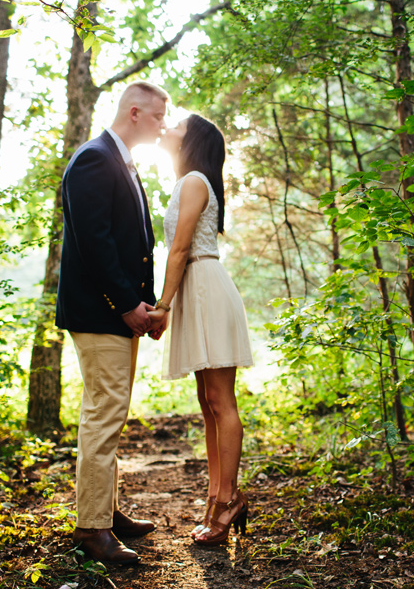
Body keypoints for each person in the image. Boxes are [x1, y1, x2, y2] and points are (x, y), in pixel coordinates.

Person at [55, 81, 169, 565]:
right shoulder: (95, 158)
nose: (165, 127)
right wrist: (126, 303)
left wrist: (144, 304)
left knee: (110, 412)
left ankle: (103, 509)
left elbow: (131, 244)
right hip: (99, 312)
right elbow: (94, 240)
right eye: (161, 117)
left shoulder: (121, 160)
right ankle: (91, 531)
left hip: (118, 313)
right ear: (136, 112)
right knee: (103, 415)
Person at [149, 113, 254, 546]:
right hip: (197, 290)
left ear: (191, 140)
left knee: (219, 399)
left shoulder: (194, 180)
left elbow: (179, 250)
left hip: (205, 288)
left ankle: (228, 500)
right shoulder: (188, 181)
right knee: (206, 401)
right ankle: (215, 497)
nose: (167, 126)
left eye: (176, 123)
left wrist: (162, 305)